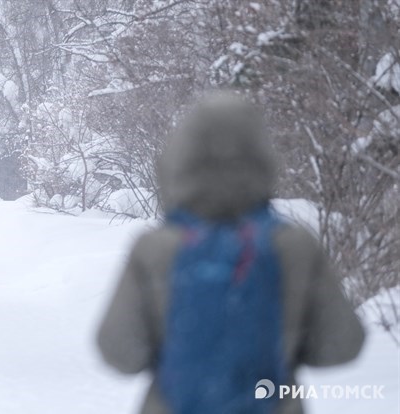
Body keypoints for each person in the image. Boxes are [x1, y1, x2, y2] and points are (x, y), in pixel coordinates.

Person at [96, 93, 365, 414]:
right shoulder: (293, 245)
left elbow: (120, 353)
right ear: (263, 160)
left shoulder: (156, 248)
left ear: (178, 161)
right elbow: (343, 345)